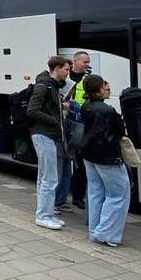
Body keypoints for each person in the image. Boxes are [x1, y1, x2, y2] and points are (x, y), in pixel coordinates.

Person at [78, 74, 129, 246]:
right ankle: (106, 234)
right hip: (107, 156)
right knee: (118, 195)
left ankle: (95, 230)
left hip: (89, 154)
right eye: (105, 86)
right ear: (99, 89)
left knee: (95, 193)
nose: (108, 89)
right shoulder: (107, 110)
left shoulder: (86, 107)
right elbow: (120, 131)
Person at [26, 56, 70, 230]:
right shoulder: (44, 86)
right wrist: (53, 120)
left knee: (45, 176)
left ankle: (46, 213)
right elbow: (32, 110)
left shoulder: (51, 86)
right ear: (56, 68)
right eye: (66, 69)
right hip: (44, 135)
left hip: (47, 135)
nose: (68, 73)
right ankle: (43, 215)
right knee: (50, 178)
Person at [58, 51, 90, 213]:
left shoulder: (89, 79)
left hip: (80, 123)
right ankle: (61, 196)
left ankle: (78, 196)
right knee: (64, 161)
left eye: (88, 62)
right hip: (66, 121)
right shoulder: (65, 78)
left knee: (80, 162)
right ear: (74, 61)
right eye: (84, 61)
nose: (87, 64)